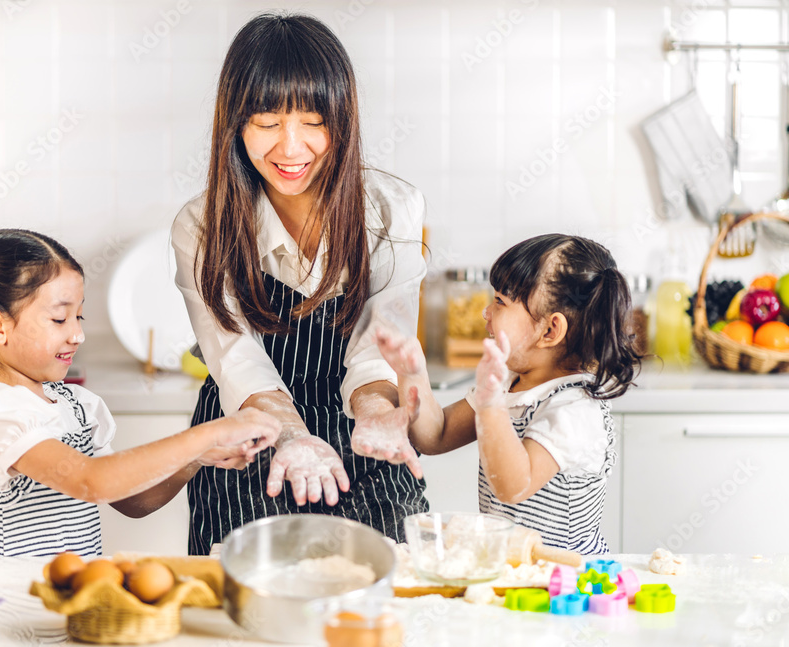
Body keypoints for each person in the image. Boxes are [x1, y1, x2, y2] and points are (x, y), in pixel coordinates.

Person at [166, 13, 428, 555]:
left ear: (343, 120)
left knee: (386, 579)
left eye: (313, 121)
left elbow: (381, 343)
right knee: (245, 591)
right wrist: (289, 433)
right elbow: (235, 355)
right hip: (248, 432)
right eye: (267, 122)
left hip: (365, 432)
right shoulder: (202, 226)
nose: (290, 148)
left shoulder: (390, 210)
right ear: (235, 123)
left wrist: (378, 414)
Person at [0, 229, 279, 557]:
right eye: (59, 319)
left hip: (66, 599)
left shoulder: (76, 406)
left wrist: (196, 457)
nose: (78, 334)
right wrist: (208, 432)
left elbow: (133, 500)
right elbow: (92, 481)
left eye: (79, 317)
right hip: (13, 602)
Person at [375, 234, 642, 554]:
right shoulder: (509, 383)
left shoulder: (574, 409)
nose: (486, 312)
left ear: (549, 331)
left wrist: (490, 405)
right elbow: (436, 436)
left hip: (564, 575)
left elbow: (513, 486)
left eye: (501, 301)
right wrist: (411, 371)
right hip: (515, 568)